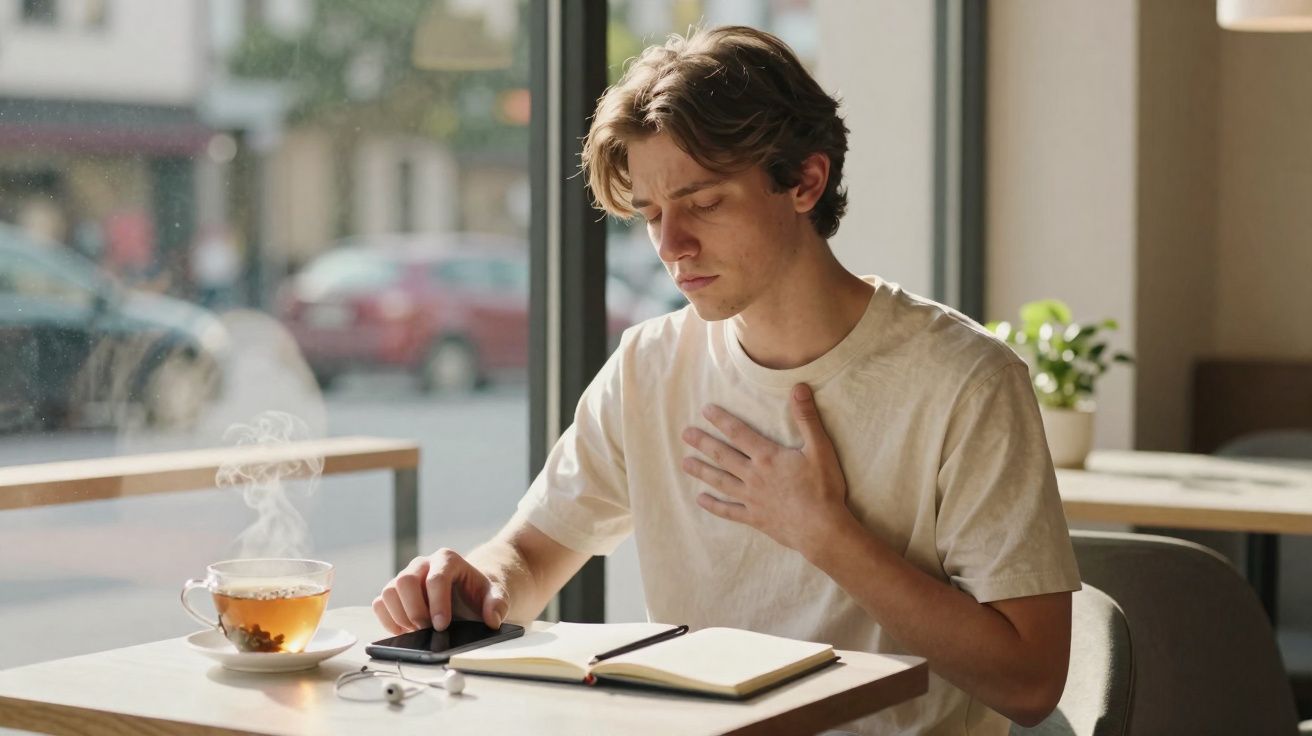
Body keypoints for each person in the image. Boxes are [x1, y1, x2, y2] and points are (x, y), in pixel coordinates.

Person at [374, 26, 1079, 734]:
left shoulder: (967, 380)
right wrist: (477, 586)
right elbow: (529, 557)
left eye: (705, 203)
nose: (671, 246)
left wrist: (825, 534)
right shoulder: (648, 366)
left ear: (805, 181)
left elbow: (1030, 683)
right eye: (652, 215)